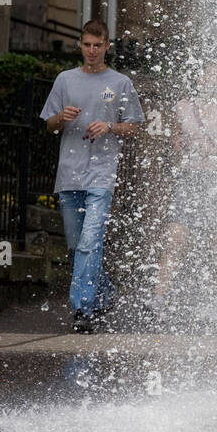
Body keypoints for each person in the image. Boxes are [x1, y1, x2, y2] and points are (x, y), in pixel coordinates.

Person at [40, 19, 144, 332]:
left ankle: (82, 310)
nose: (92, 51)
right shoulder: (64, 80)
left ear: (107, 46)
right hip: (69, 175)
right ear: (80, 45)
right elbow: (48, 125)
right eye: (87, 45)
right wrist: (61, 117)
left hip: (101, 176)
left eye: (98, 45)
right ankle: (106, 293)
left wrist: (110, 125)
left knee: (89, 243)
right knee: (75, 246)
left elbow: (135, 127)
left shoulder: (121, 83)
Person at [151, 60, 217, 324]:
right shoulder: (183, 107)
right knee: (175, 238)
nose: (207, 80)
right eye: (204, 75)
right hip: (190, 178)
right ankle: (158, 298)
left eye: (213, 75)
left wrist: (215, 151)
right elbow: (175, 140)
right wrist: (181, 145)